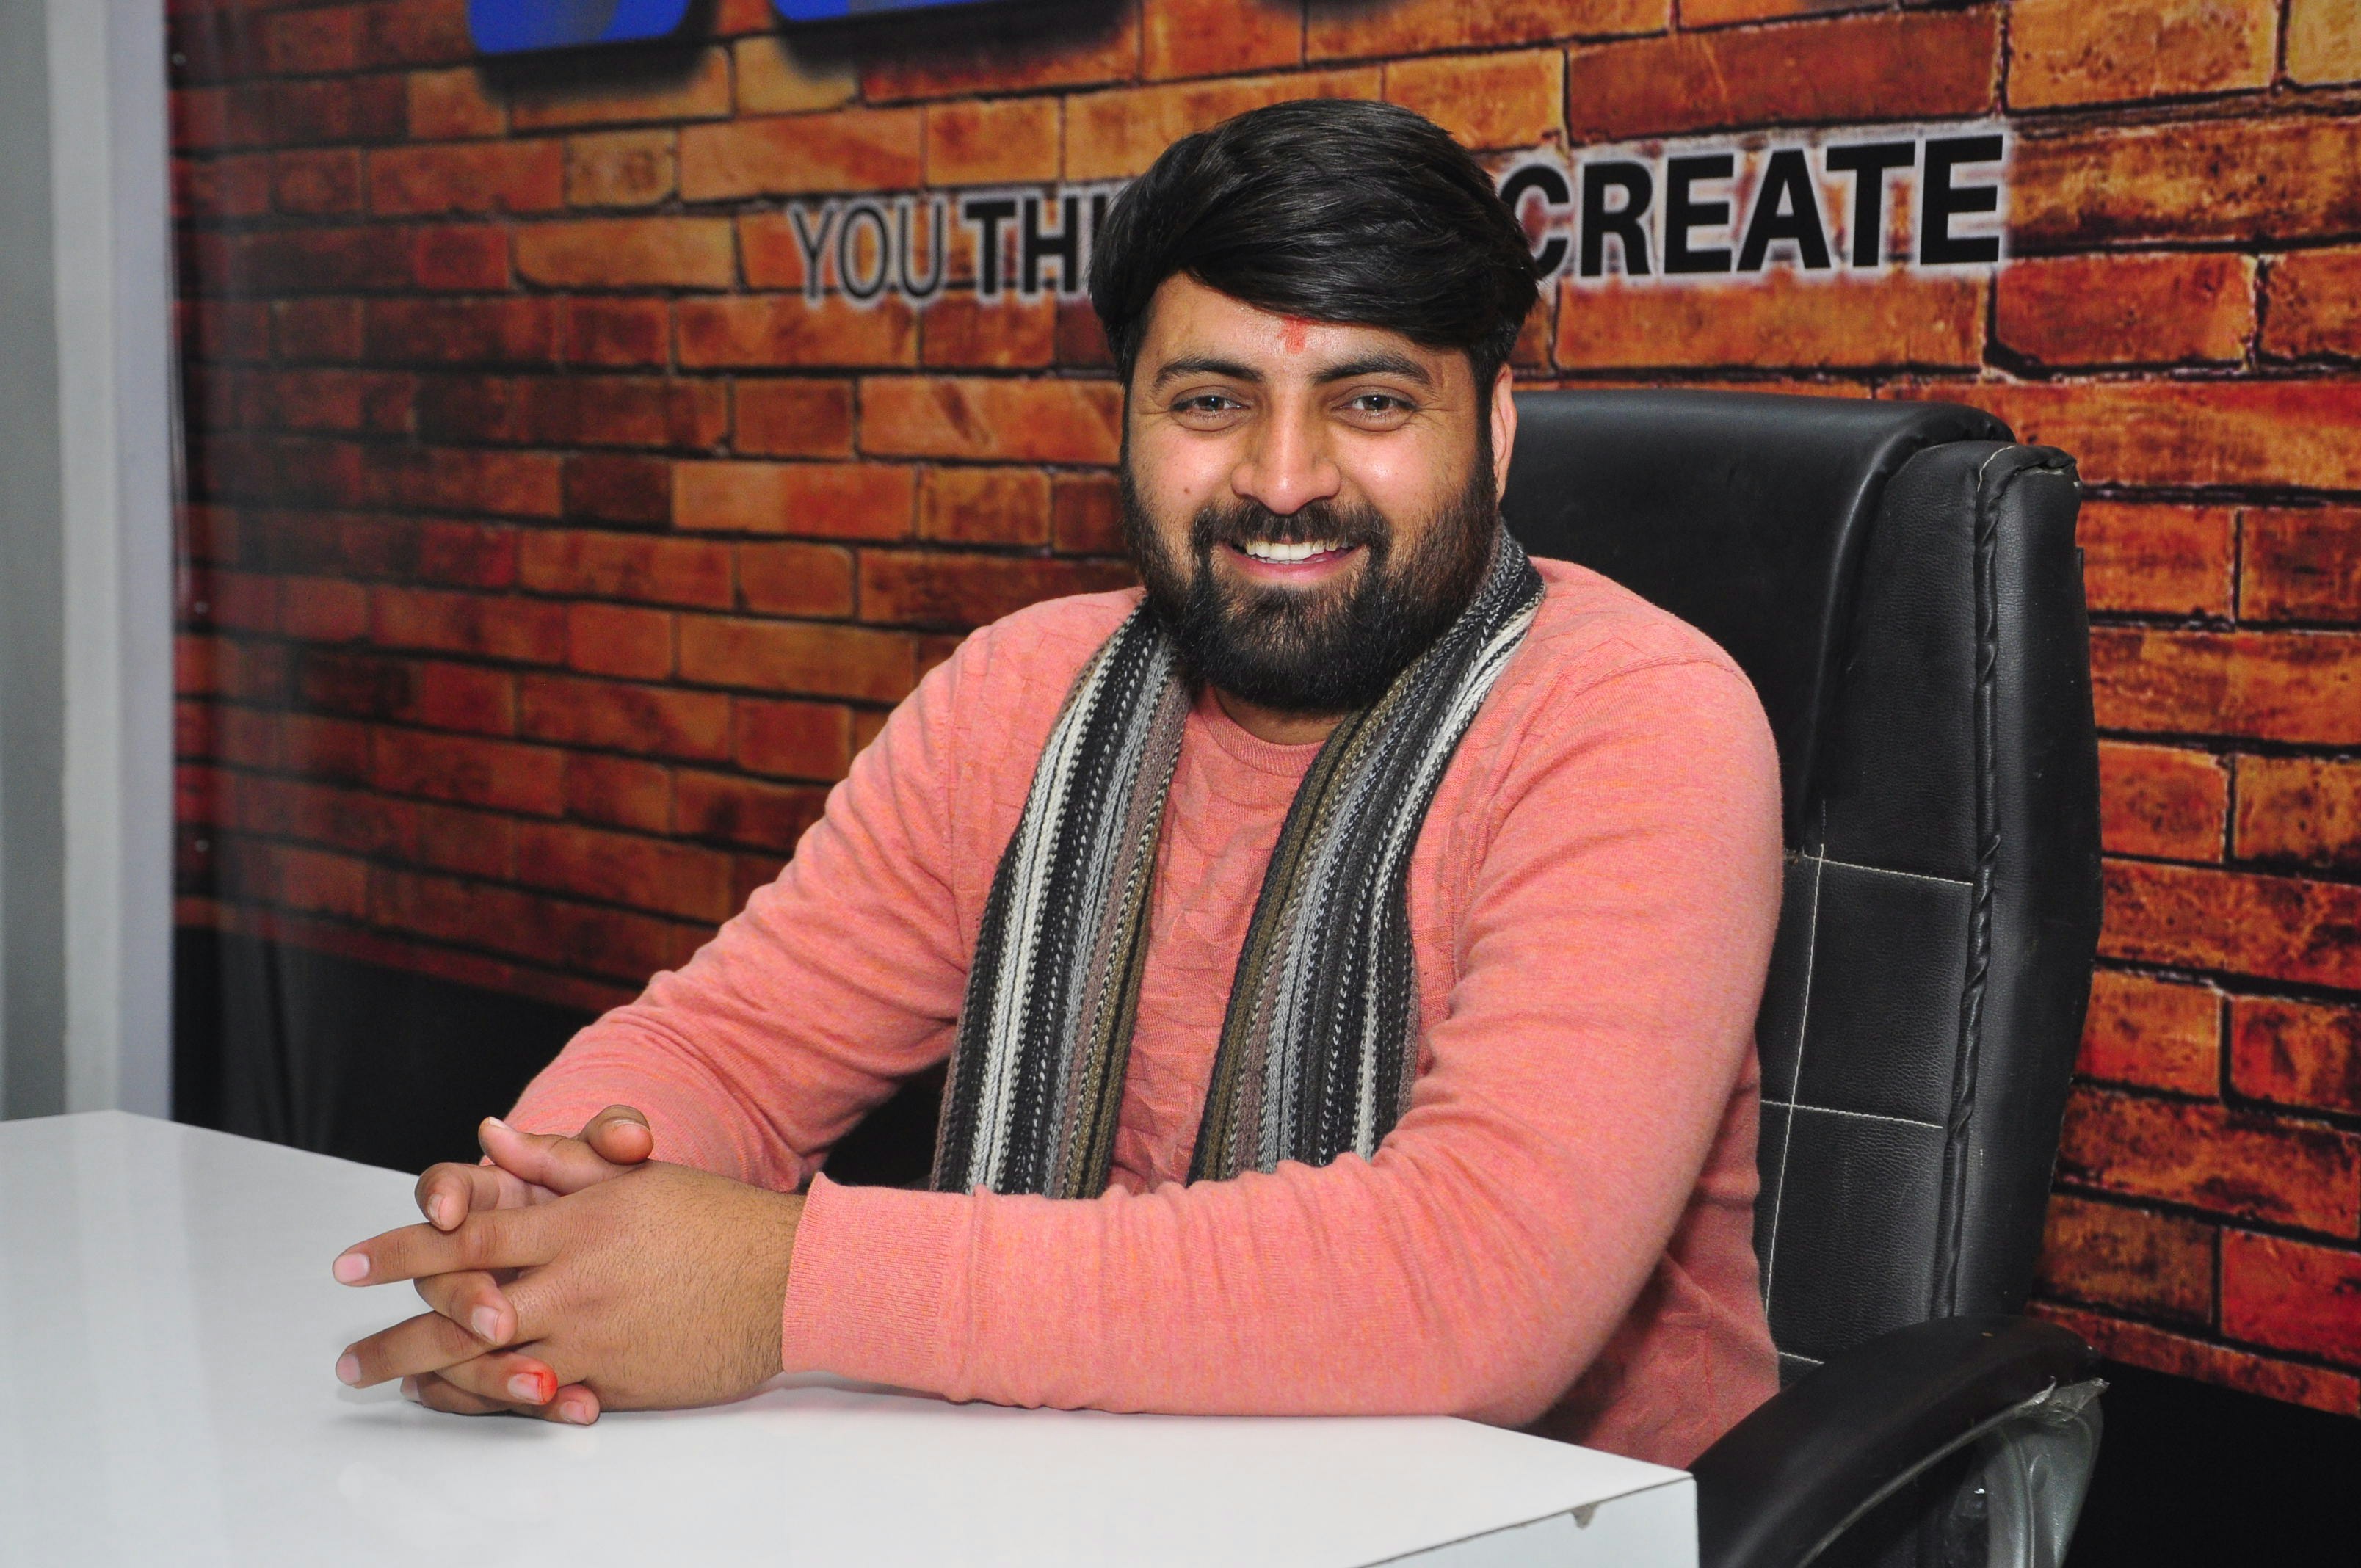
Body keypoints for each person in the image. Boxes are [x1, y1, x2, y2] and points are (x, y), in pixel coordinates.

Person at [327, 98, 1784, 1469]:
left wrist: (788, 1283)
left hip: (1549, 1523)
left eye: (1373, 402)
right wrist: (543, 1232)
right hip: (1056, 1490)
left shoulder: (1636, 722)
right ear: (1130, 423)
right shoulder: (1019, 693)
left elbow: (1477, 1281)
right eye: (1212, 401)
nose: (1284, 477)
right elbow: (732, 1044)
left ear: (1499, 424)